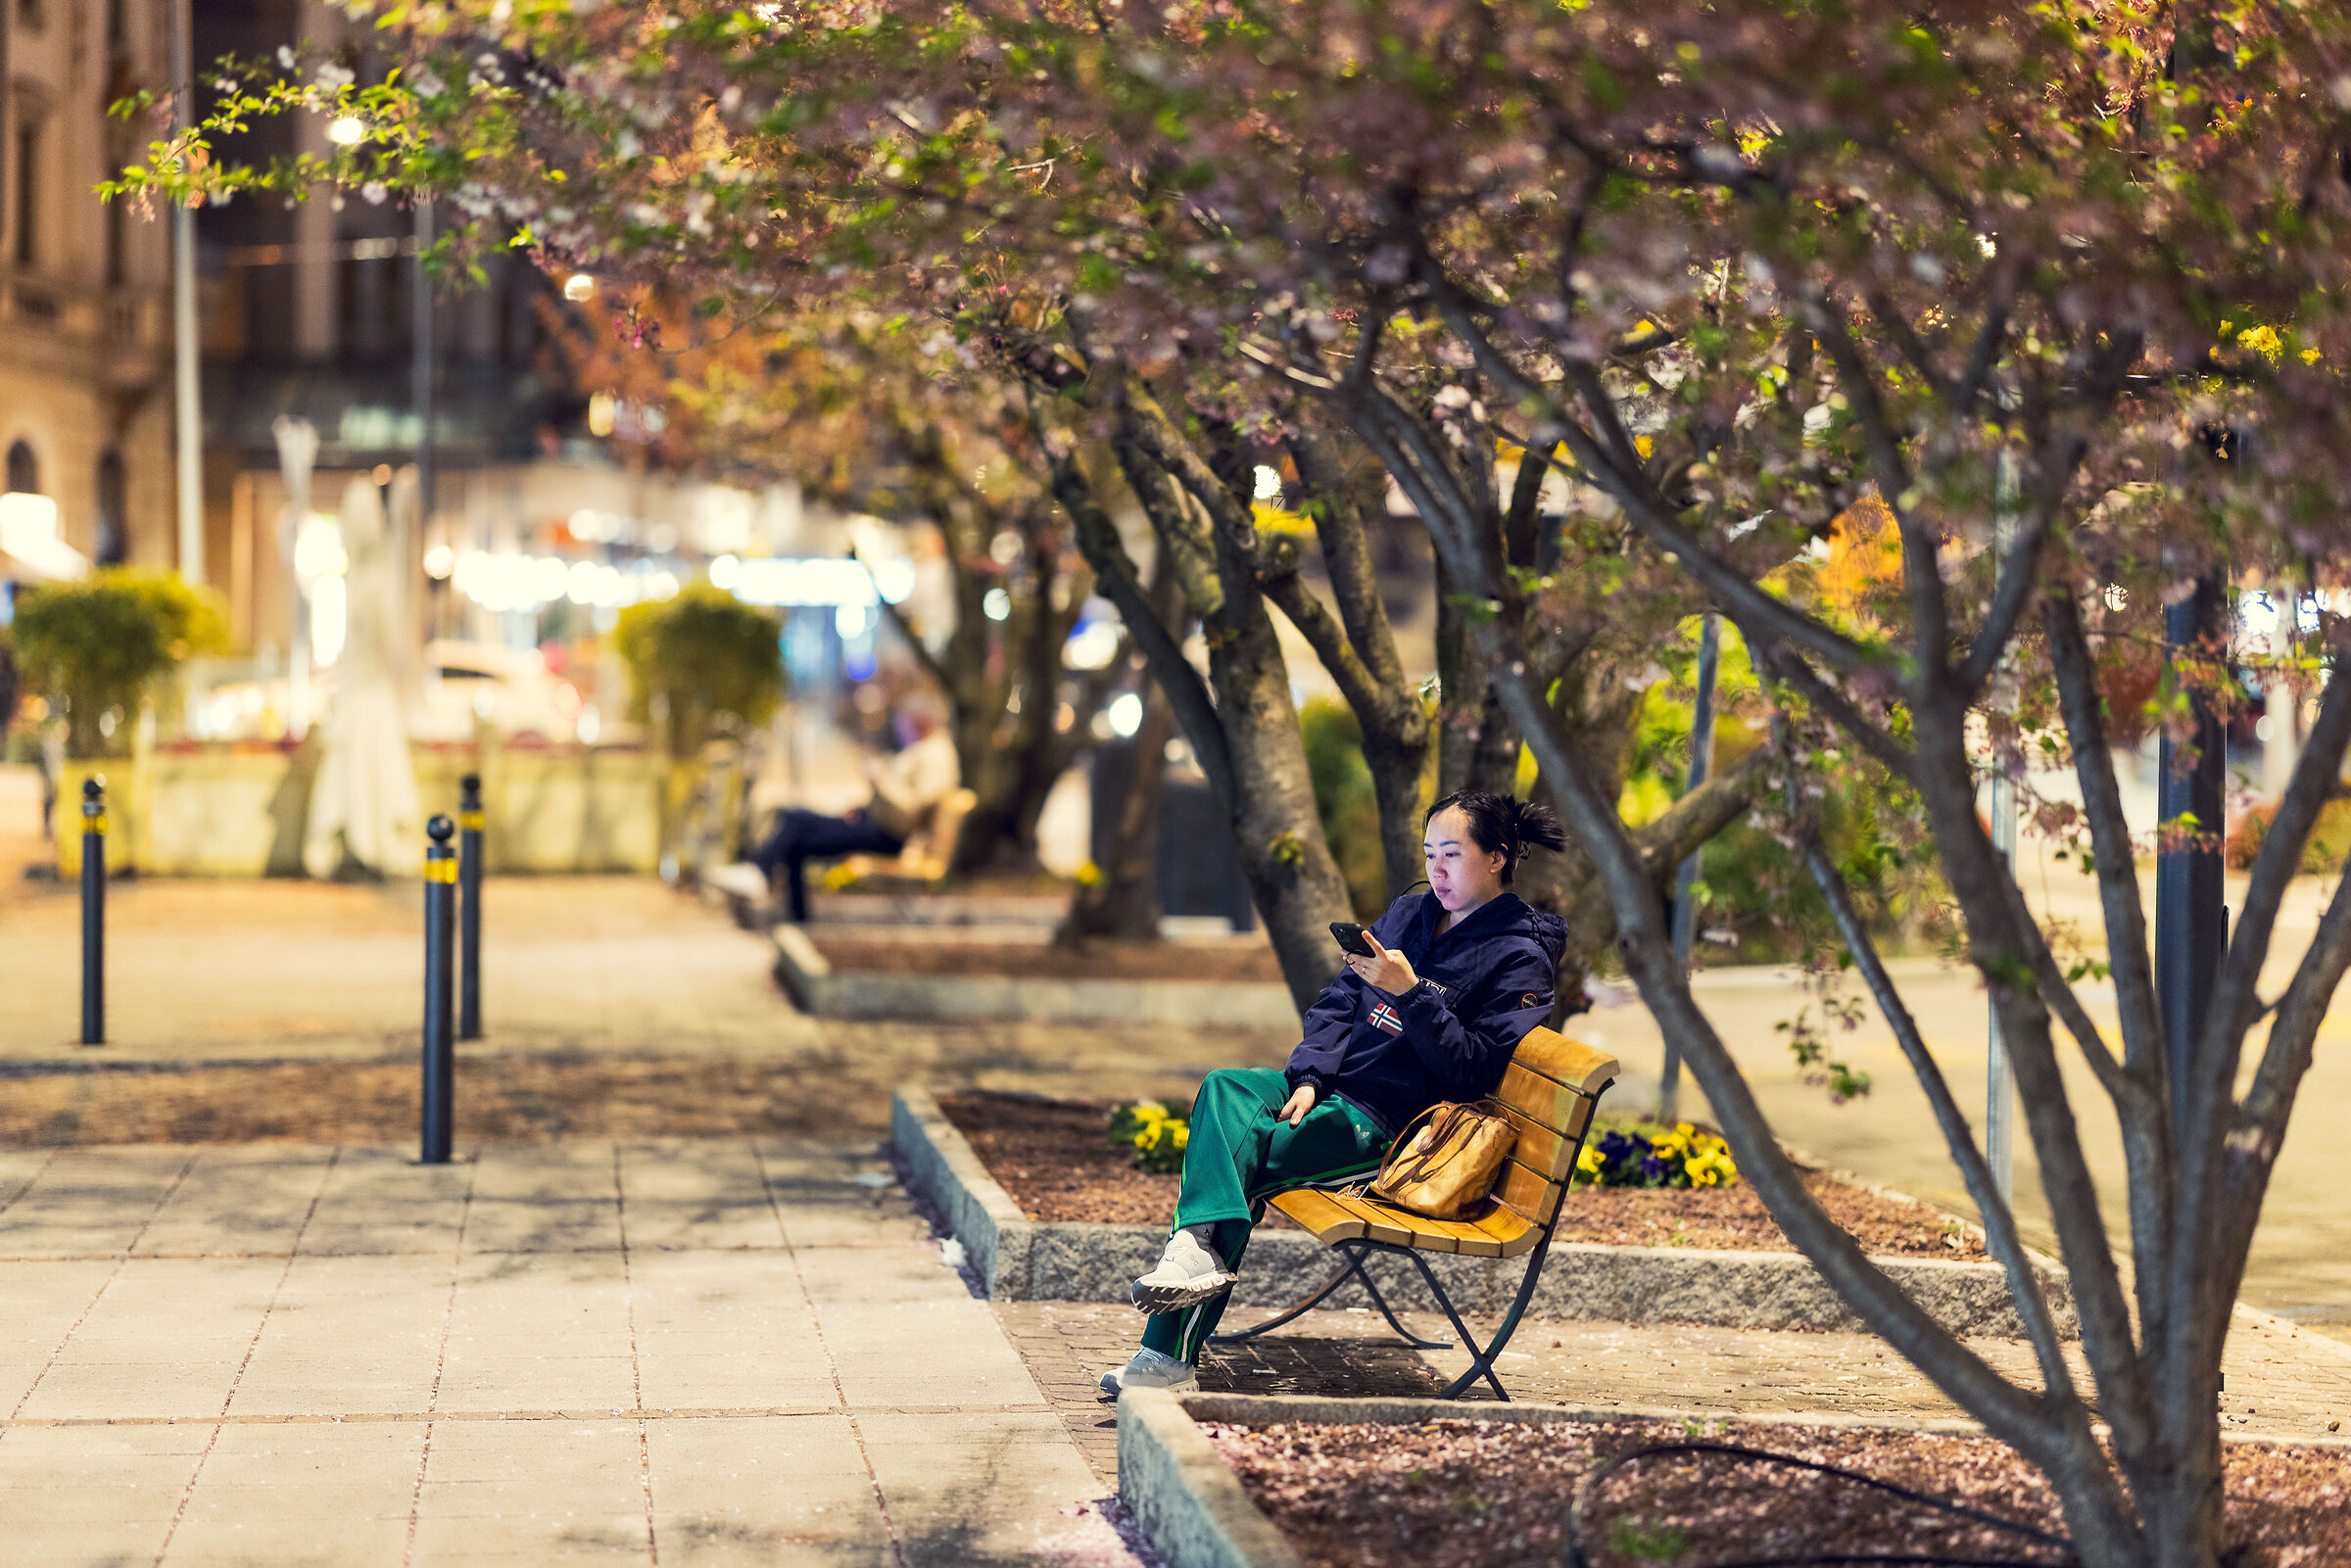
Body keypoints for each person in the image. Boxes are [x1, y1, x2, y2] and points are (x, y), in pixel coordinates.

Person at [1099, 789, 1569, 1396]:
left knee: (1252, 1158)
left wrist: (1411, 994)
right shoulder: (1410, 912)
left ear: (1498, 857)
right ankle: (1192, 1263)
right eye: (1429, 854)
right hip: (1332, 1093)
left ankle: (1168, 1349)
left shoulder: (1518, 957)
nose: (1437, 871)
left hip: (1395, 1128)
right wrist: (1310, 1077)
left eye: (1452, 855)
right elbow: (1340, 998)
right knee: (1224, 1089)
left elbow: (1474, 1073)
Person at [750, 695, 959, 921]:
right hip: (872, 824)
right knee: (793, 819)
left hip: (886, 836)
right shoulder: (926, 750)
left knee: (796, 826)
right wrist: (861, 809)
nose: (901, 732)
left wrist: (881, 779)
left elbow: (911, 808)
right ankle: (770, 886)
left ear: (922, 723)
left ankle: (758, 874)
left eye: (904, 726)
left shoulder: (936, 756)